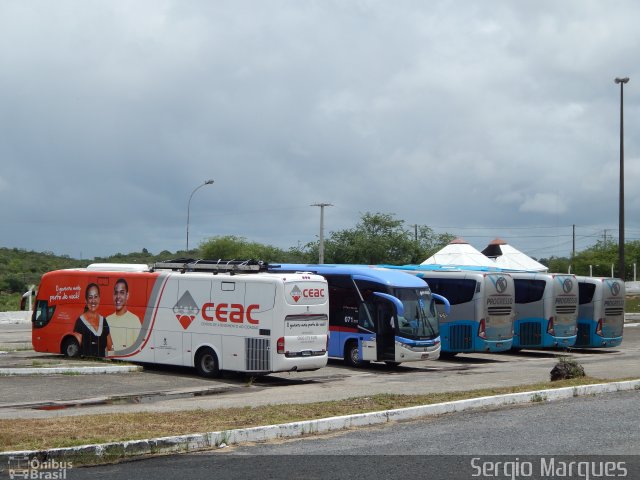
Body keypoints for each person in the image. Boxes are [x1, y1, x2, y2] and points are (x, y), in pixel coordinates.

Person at [73, 283, 112, 357]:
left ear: (99, 299)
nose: (93, 301)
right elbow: (76, 347)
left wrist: (114, 361)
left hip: (101, 364)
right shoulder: (80, 321)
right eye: (90, 297)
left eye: (96, 297)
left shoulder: (103, 321)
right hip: (86, 363)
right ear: (86, 300)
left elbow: (111, 348)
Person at [106, 278, 141, 352]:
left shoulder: (135, 320)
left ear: (127, 295)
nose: (118, 296)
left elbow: (138, 348)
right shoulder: (107, 320)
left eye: (122, 293)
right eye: (116, 293)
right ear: (113, 296)